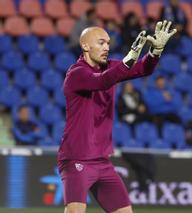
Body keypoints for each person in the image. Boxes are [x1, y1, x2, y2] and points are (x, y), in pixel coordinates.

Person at [58, 20, 176, 213]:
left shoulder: (111, 67)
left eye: (108, 43)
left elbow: (143, 69)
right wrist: (129, 58)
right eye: (101, 43)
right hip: (76, 158)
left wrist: (155, 52)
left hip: (102, 160)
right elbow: (104, 81)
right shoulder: (76, 73)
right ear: (85, 46)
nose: (106, 47)